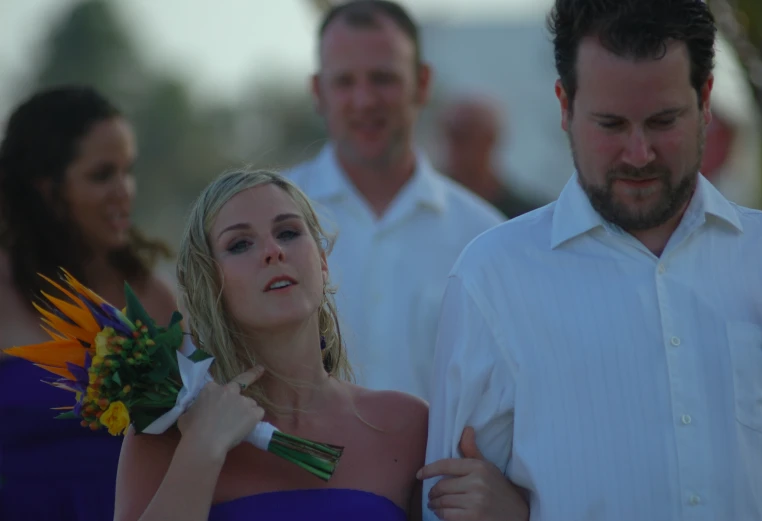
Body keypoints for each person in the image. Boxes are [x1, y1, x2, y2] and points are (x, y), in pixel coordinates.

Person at [421, 1, 762, 520]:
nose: (638, 154)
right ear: (564, 106)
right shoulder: (493, 277)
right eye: (611, 124)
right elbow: (450, 505)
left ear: (704, 100)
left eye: (662, 121)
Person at [113, 169, 430, 521]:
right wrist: (201, 450)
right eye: (240, 244)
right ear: (209, 283)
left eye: (289, 233)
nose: (273, 251)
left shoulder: (407, 426)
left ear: (322, 263)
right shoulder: (164, 433)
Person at [286, 0, 504, 400]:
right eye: (345, 81)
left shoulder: (485, 237)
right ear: (318, 91)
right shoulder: (267, 224)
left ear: (422, 83)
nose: (365, 100)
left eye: (383, 78)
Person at [0, 85, 177, 520]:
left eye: (127, 170)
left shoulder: (152, 296)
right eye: (102, 175)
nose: (125, 191)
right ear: (45, 188)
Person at [436, 95, 542, 218]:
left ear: (490, 140)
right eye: (448, 132)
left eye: (464, 135)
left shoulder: (525, 215)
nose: (452, 143)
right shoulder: (427, 204)